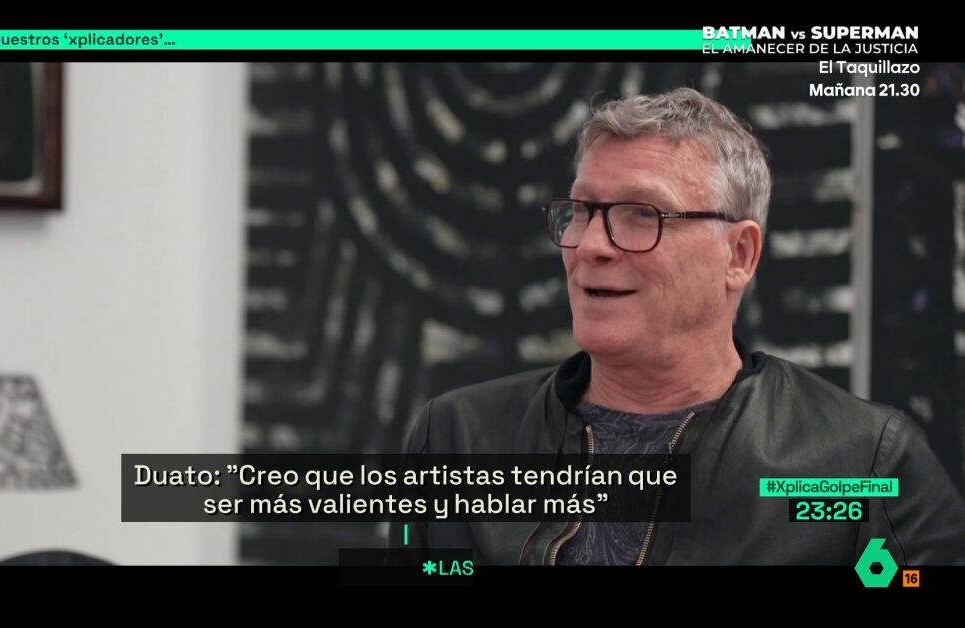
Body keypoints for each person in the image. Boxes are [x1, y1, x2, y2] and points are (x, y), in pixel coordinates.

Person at [401, 87, 965, 565]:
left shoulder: (866, 464)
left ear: (739, 255)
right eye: (581, 212)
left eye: (641, 215)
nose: (591, 246)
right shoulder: (456, 438)